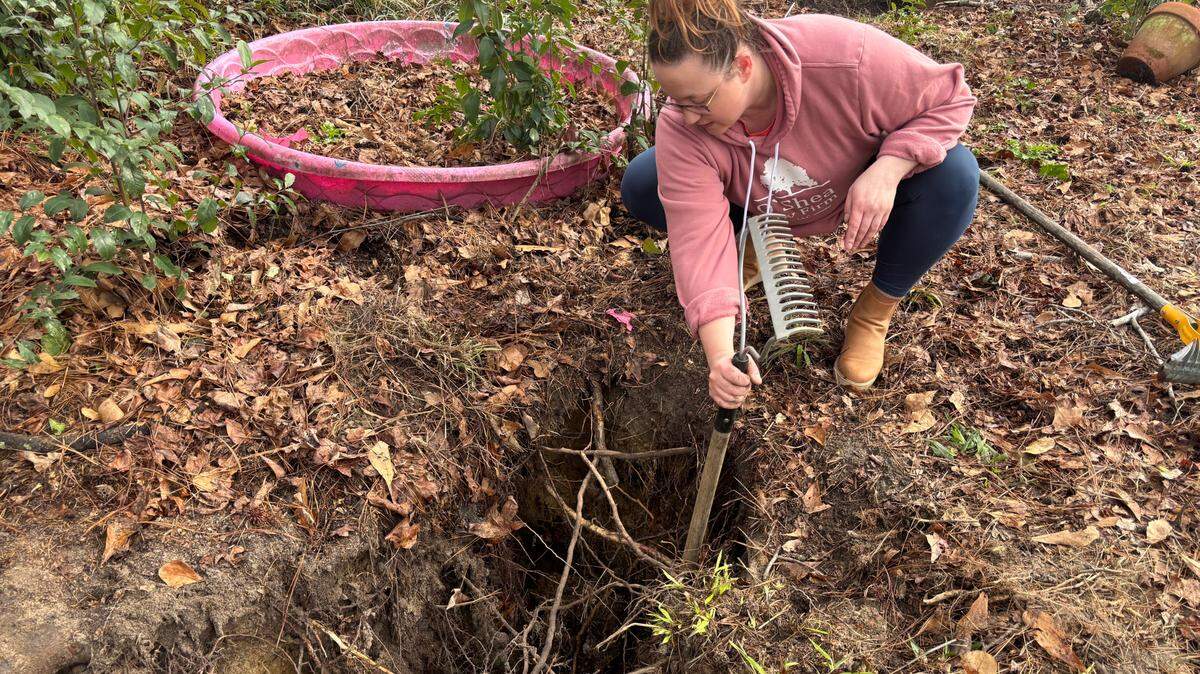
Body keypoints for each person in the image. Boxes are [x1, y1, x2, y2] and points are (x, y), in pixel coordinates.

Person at [620, 0, 980, 410]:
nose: (687, 118)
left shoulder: (846, 57)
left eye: (698, 101)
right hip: (759, 196)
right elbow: (696, 237)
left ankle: (874, 311)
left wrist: (889, 169)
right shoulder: (684, 126)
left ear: (742, 66)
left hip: (850, 184)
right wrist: (720, 356)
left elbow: (951, 99)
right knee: (645, 182)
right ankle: (751, 244)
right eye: (675, 101)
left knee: (955, 175)